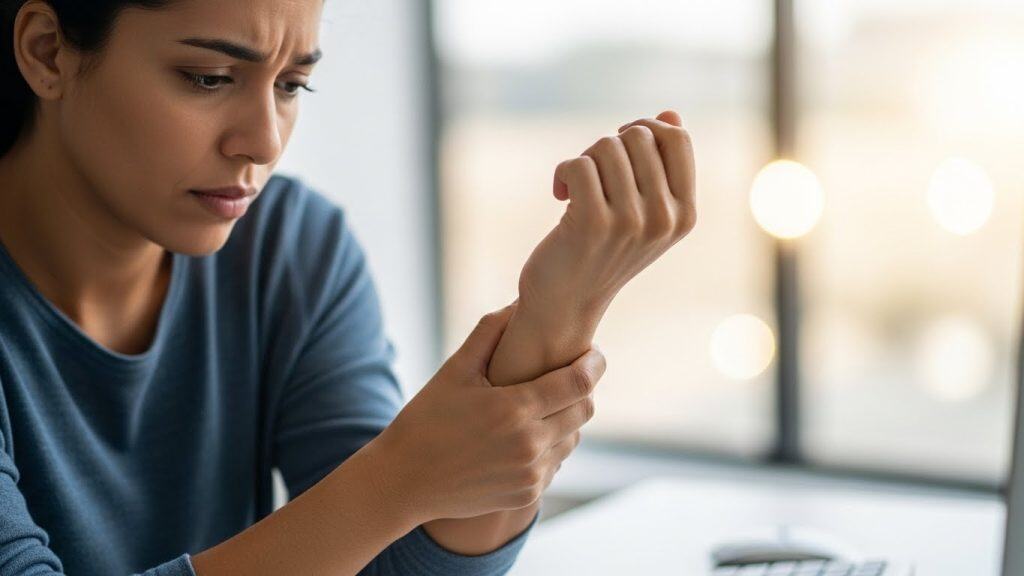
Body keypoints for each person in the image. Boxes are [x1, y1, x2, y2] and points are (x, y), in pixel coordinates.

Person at [0, 1, 697, 574]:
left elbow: (393, 561)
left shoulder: (290, 245)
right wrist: (396, 478)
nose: (265, 141)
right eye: (209, 77)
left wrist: (558, 312)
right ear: (47, 51)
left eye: (290, 85)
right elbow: (383, 503)